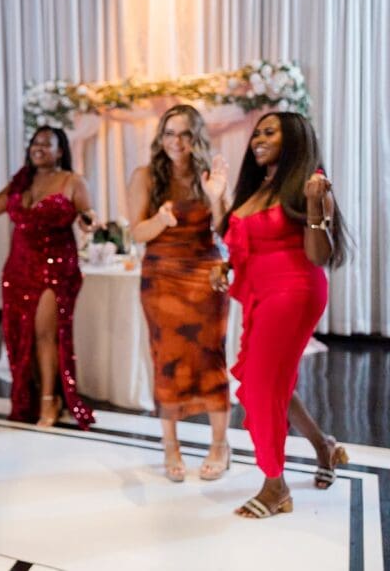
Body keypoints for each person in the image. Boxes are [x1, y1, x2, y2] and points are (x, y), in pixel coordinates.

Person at [213, 111, 349, 518]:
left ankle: (276, 486)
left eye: (269, 132)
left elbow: (318, 255)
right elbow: (239, 241)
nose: (258, 138)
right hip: (259, 294)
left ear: (294, 139)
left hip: (294, 291)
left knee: (260, 386)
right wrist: (225, 267)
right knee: (274, 384)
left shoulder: (312, 187)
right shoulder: (257, 188)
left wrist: (312, 204)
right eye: (257, 132)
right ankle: (324, 446)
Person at [0, 126, 97, 428]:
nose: (39, 147)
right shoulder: (22, 180)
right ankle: (31, 397)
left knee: (46, 334)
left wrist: (89, 221)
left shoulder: (73, 181)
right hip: (18, 269)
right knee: (21, 336)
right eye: (35, 142)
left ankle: (50, 400)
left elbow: (87, 217)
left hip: (55, 268)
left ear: (61, 151)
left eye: (48, 143)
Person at [128, 105, 231, 482]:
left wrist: (215, 196)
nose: (177, 141)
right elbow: (135, 233)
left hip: (205, 275)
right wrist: (160, 220)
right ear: (161, 137)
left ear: (196, 137)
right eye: (170, 133)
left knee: (211, 356)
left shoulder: (211, 175)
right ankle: (170, 445)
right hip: (161, 278)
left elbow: (226, 231)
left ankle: (220, 444)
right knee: (166, 358)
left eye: (185, 134)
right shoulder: (145, 176)